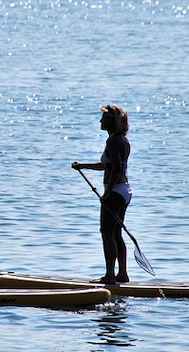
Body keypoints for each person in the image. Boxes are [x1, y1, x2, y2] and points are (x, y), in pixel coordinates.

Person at [72, 104, 132, 283]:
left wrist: (108, 192)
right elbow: (108, 165)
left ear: (112, 122)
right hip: (125, 191)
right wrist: (83, 166)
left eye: (104, 118)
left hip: (115, 192)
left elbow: (117, 168)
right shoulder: (122, 139)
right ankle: (122, 274)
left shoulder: (113, 141)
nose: (100, 121)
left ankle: (109, 276)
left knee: (106, 232)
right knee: (116, 234)